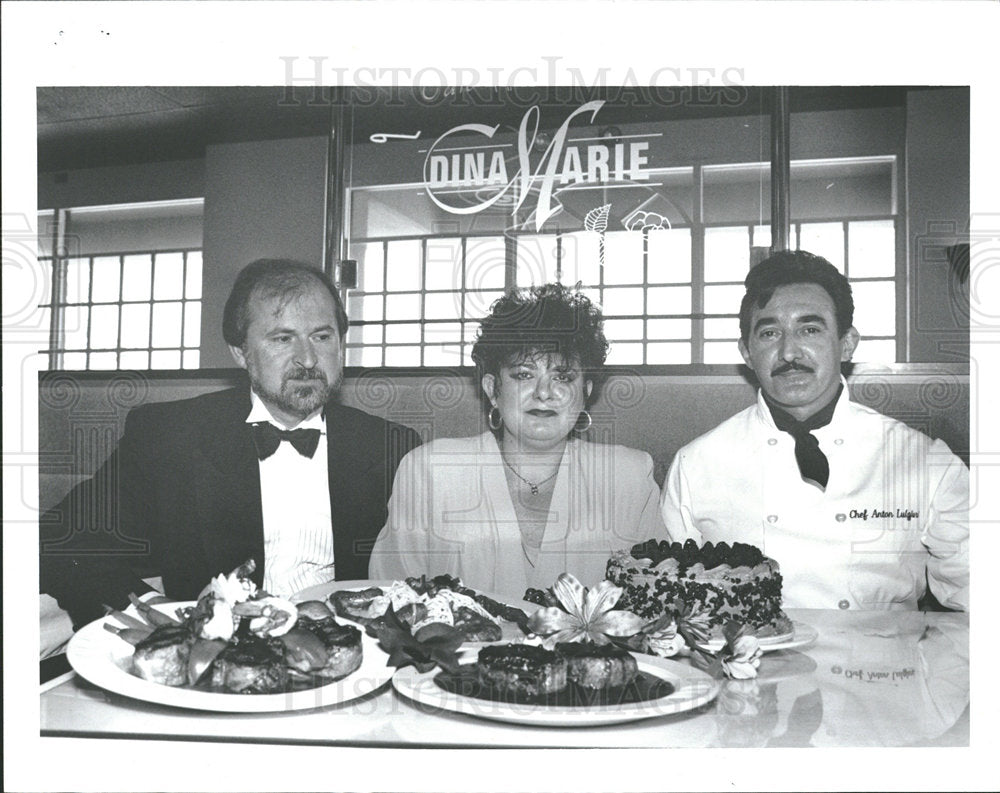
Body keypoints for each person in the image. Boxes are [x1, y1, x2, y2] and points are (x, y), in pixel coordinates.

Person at [40, 258, 421, 628]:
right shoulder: (169, 436)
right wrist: (156, 614)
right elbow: (62, 540)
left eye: (322, 336)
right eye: (282, 338)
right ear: (240, 353)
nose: (307, 358)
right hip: (210, 663)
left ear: (341, 344)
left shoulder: (391, 447)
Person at [660, 250, 968, 611]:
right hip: (747, 664)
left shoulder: (925, 462)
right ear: (746, 351)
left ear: (847, 342)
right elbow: (670, 604)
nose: (789, 351)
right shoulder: (696, 464)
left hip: (882, 664)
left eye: (810, 329)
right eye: (770, 332)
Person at [369, 283, 666, 602]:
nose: (544, 392)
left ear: (586, 391)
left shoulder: (629, 477)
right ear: (491, 389)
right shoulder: (430, 471)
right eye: (524, 375)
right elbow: (393, 600)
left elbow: (657, 604)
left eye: (563, 377)